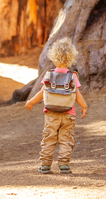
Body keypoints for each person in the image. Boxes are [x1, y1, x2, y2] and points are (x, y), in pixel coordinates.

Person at [25, 38, 88, 174]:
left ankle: (45, 165)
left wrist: (31, 102)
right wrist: (84, 106)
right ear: (71, 57)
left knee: (49, 138)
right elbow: (77, 95)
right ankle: (64, 165)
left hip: (51, 114)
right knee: (66, 140)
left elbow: (42, 93)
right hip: (68, 114)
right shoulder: (73, 76)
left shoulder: (49, 75)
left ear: (54, 57)